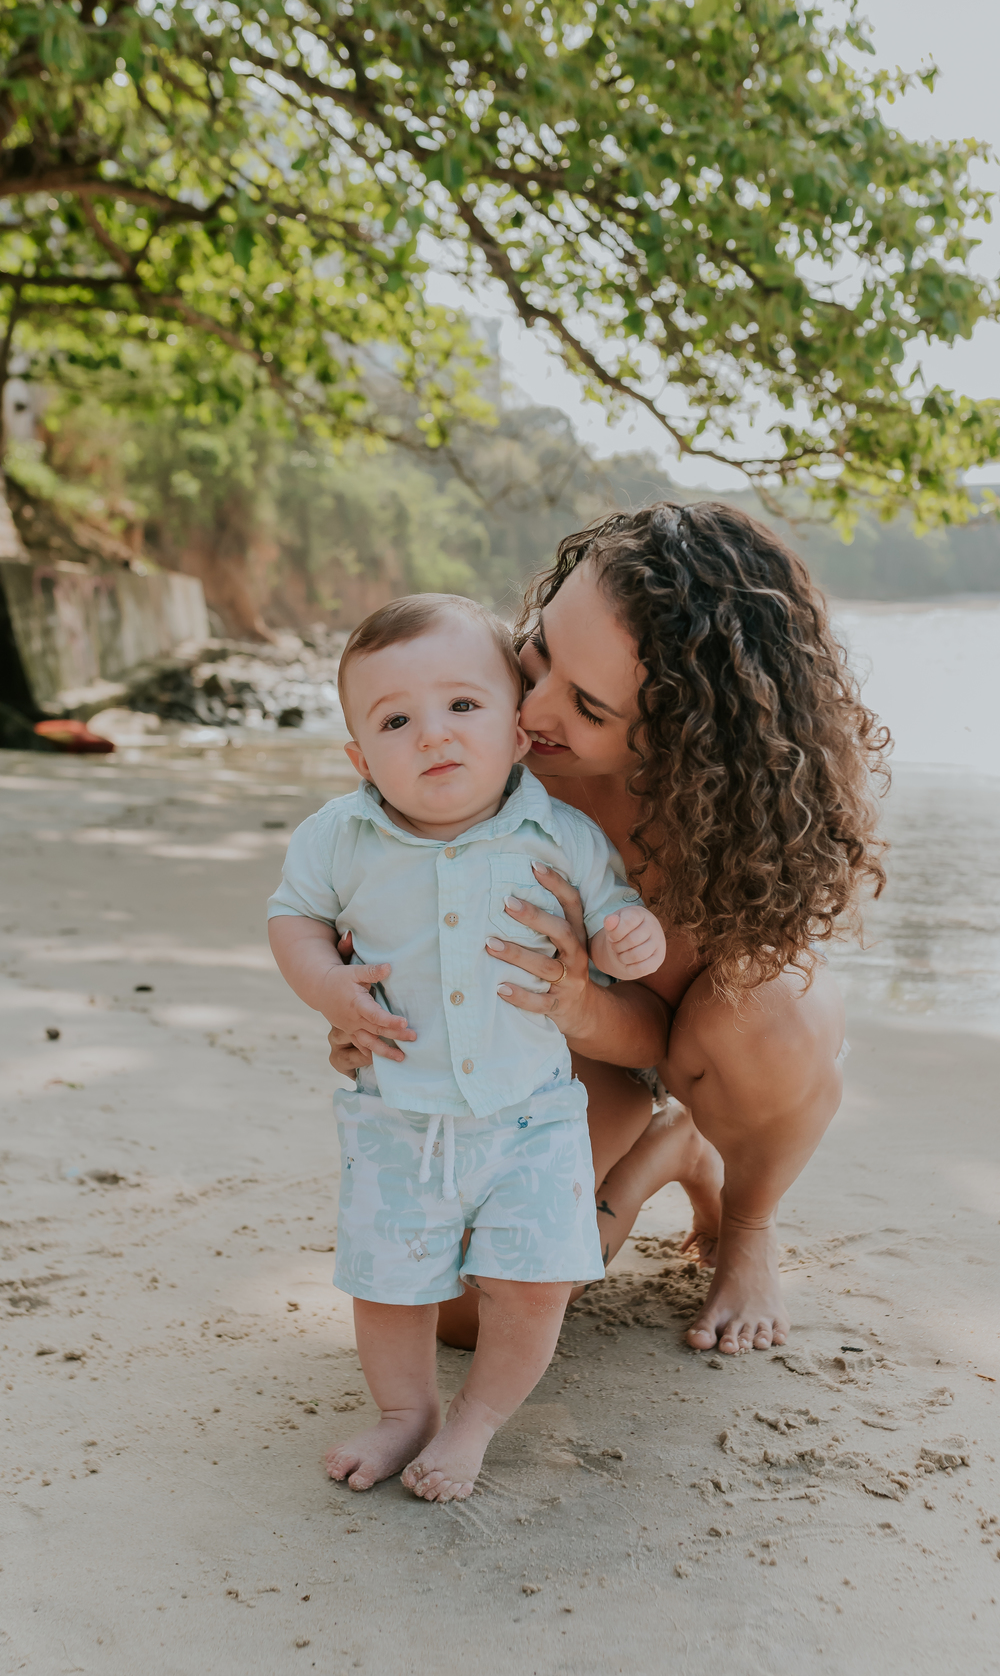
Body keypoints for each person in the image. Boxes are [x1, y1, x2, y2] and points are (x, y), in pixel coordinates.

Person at [327, 501, 889, 1362]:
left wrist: (595, 1000)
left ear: (680, 737)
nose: (532, 709)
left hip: (706, 1030)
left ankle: (747, 1223)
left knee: (764, 1020)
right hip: (557, 1050)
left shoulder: (730, 824)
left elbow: (674, 1028)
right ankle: (666, 1150)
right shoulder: (483, 764)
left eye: (586, 706)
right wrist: (360, 1011)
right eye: (539, 651)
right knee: (466, 1319)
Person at [267, 593, 668, 1500]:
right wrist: (328, 987)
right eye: (397, 720)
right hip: (397, 1119)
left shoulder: (559, 834)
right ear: (361, 757)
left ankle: (479, 1423)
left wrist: (625, 938)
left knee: (531, 1285)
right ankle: (406, 1413)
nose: (433, 736)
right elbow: (293, 918)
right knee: (390, 1287)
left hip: (529, 1119)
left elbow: (610, 917)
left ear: (519, 733)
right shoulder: (341, 837)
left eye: (463, 706)